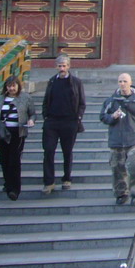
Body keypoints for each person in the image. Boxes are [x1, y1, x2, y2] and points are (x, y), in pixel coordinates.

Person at [100, 73, 135, 205]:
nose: (122, 84)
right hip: (116, 140)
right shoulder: (111, 100)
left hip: (134, 138)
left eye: (124, 81)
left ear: (130, 82)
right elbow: (103, 116)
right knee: (117, 168)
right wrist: (112, 117)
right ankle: (121, 193)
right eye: (120, 81)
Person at [0, 75, 36, 200]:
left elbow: (32, 113)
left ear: (18, 86)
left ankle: (15, 189)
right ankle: (7, 183)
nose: (12, 88)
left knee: (14, 160)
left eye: (14, 86)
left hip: (18, 132)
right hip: (2, 132)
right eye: (9, 86)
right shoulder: (0, 99)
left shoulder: (25, 98)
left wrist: (31, 121)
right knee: (4, 159)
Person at [40, 53, 86, 195]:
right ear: (56, 67)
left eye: (64, 66)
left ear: (69, 66)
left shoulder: (76, 82)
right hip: (52, 121)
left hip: (69, 121)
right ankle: (49, 182)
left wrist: (78, 117)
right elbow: (46, 100)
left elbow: (82, 103)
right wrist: (45, 116)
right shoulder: (52, 81)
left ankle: (67, 178)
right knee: (48, 151)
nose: (62, 68)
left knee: (67, 152)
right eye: (60, 66)